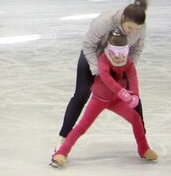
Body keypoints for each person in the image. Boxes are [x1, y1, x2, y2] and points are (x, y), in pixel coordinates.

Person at [52, 29, 157, 168]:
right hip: (99, 99)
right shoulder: (102, 59)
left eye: (123, 54)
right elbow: (107, 78)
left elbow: (132, 76)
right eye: (116, 54)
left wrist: (135, 94)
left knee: (136, 119)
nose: (120, 58)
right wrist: (122, 92)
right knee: (82, 126)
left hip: (117, 101)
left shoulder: (128, 62)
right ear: (110, 50)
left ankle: (144, 149)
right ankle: (61, 153)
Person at [59, 0, 148, 142]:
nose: (133, 32)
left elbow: (137, 49)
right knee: (81, 94)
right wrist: (97, 69)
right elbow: (88, 45)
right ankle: (63, 137)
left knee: (133, 96)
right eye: (130, 27)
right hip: (93, 56)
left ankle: (144, 140)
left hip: (119, 61)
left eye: (137, 29)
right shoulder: (105, 22)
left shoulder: (141, 27)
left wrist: (126, 67)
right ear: (123, 19)